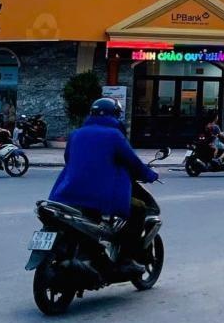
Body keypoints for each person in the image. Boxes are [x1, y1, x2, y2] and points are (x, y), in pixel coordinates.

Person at [48, 98, 160, 274]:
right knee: (139, 209)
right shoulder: (115, 135)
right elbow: (133, 162)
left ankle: (94, 253)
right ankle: (125, 259)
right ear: (116, 115)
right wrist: (150, 175)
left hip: (68, 192)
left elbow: (68, 159)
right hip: (100, 195)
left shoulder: (76, 134)